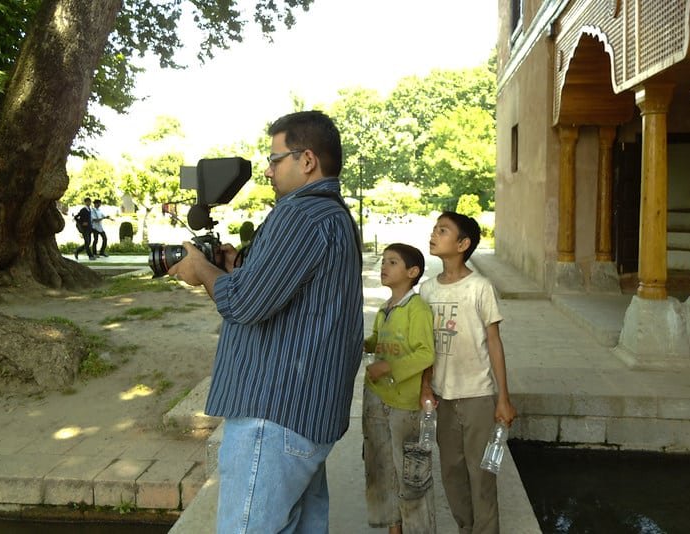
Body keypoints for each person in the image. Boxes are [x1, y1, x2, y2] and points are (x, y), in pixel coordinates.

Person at [167, 110, 363, 533]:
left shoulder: (300, 215)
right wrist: (236, 265)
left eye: (276, 159)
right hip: (307, 415)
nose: (269, 170)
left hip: (273, 416)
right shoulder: (334, 216)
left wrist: (201, 269)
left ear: (307, 159)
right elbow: (282, 292)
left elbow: (244, 304)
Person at [419, 211, 518, 534]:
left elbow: (494, 342)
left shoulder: (480, 288)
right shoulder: (427, 290)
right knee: (451, 469)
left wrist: (502, 398)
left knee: (482, 473)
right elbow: (424, 346)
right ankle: (467, 527)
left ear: (462, 244)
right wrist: (425, 387)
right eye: (435, 229)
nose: (434, 234)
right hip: (442, 396)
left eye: (443, 230)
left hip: (477, 394)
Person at [363, 243, 436, 534]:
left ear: (412, 272)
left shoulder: (416, 309)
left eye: (392, 262)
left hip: (404, 405)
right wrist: (363, 345)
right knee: (381, 466)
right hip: (377, 397)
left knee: (411, 473)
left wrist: (389, 367)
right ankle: (394, 526)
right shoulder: (385, 309)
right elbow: (377, 342)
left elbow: (425, 353)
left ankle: (417, 527)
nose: (384, 267)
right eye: (383, 261)